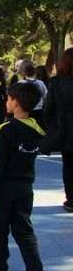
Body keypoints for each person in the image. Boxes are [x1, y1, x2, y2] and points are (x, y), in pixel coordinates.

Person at [0, 83, 51, 271]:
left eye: (9, 99)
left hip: (3, 189)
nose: (7, 101)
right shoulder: (36, 130)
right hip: (25, 188)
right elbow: (19, 150)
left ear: (16, 103)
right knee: (24, 231)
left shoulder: (5, 130)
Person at [43, 47, 73, 212]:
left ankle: (71, 199)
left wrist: (52, 126)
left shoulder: (56, 82)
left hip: (65, 128)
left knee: (68, 165)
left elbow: (49, 108)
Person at [18, 61, 48, 128]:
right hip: (38, 111)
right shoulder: (40, 83)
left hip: (25, 110)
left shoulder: (20, 83)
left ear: (24, 72)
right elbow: (46, 96)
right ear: (34, 72)